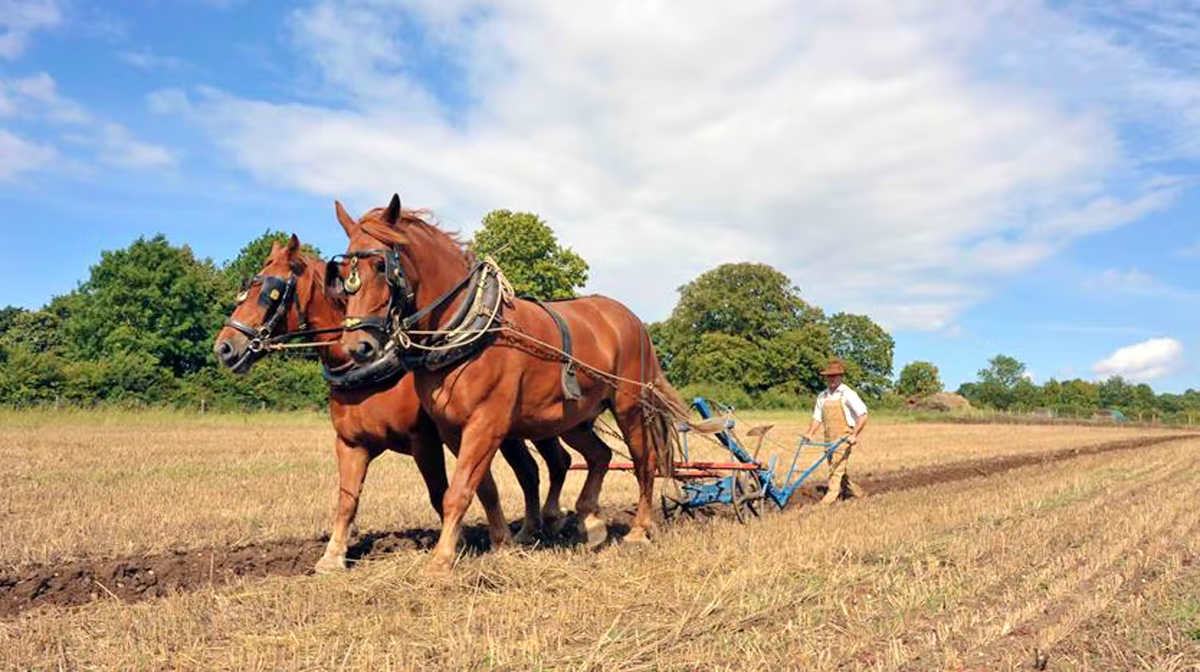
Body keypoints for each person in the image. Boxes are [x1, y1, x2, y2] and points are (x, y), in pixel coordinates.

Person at [802, 358, 869, 504]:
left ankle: (830, 498)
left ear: (840, 376)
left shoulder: (847, 394)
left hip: (844, 437)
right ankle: (857, 493)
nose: (832, 379)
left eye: (834, 376)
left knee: (836, 468)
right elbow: (817, 418)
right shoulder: (822, 396)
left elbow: (863, 415)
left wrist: (854, 435)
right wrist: (810, 433)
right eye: (829, 376)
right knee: (838, 467)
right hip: (828, 439)